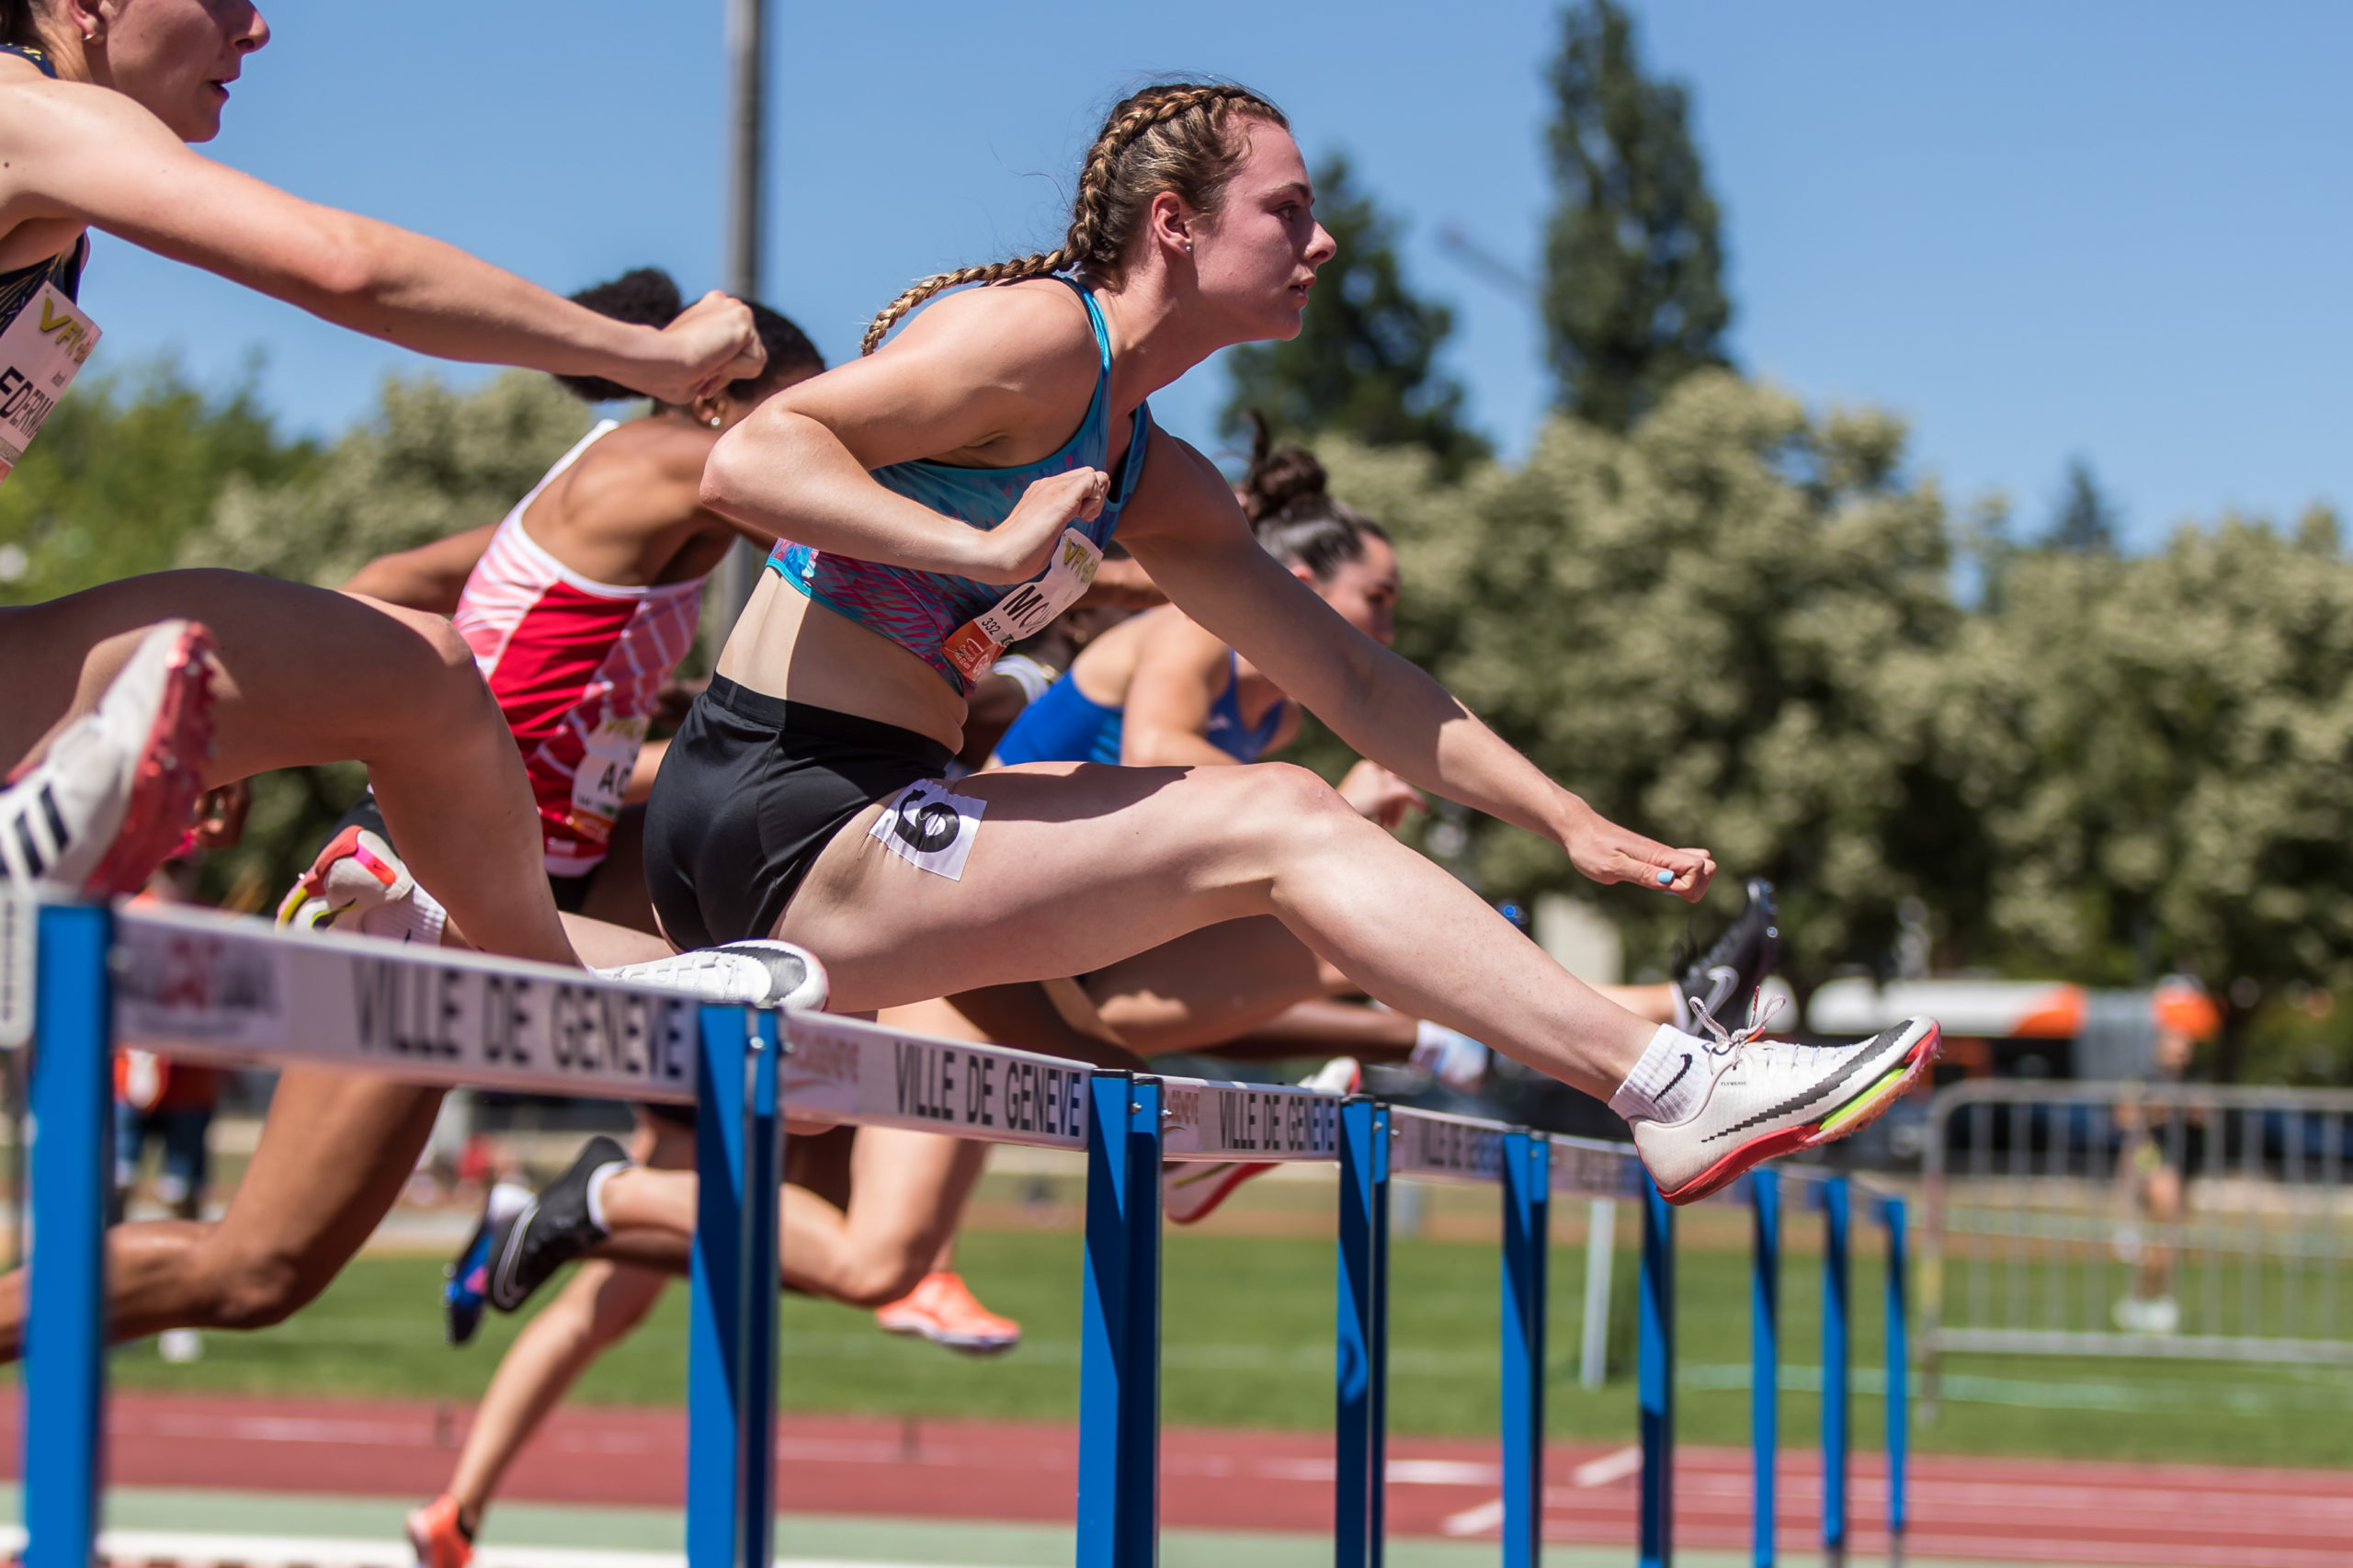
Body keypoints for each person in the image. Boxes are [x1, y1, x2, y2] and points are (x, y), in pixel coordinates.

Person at [466, 80, 1935, 1330]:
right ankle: (1669, 1079)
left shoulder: (1155, 467)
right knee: (1287, 821)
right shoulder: (1032, 340)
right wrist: (980, 548)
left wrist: (1570, 820)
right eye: (1288, 210)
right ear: (1176, 222)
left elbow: (1356, 678)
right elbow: (750, 463)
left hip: (864, 806)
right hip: (788, 798)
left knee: (1127, 1083)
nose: (1323, 238)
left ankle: (620, 985)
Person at [0, 2, 780, 1358]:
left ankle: (559, 996)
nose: (257, 26)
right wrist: (645, 355)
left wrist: (234, 730)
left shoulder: (55, 185)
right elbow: (342, 263)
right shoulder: (27, 115)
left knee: (420, 676)